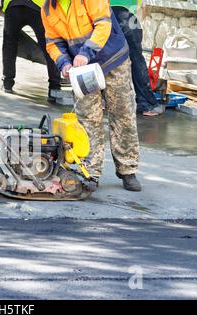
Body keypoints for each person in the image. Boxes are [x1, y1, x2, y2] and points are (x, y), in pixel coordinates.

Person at [41, 0, 142, 191]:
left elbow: (103, 24)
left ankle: (128, 169)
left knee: (122, 114)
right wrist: (64, 64)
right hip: (83, 70)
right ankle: (91, 172)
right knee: (88, 118)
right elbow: (53, 43)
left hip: (113, 60)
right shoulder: (47, 9)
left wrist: (86, 53)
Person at [1, 0, 63, 104]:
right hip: (38, 6)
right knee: (49, 47)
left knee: (9, 45)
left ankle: (7, 82)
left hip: (13, 5)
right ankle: (54, 88)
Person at [111, 0, 163, 116]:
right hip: (128, 18)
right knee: (137, 61)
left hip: (103, 17)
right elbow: (143, 12)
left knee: (105, 59)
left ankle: (103, 101)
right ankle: (147, 105)